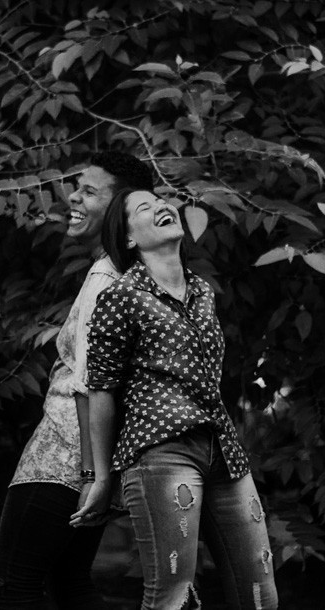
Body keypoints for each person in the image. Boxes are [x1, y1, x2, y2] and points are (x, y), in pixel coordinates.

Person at [70, 189, 279, 610]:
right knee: (174, 599)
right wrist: (101, 477)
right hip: (161, 453)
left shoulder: (202, 292)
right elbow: (100, 389)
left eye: (162, 201)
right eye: (144, 208)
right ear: (129, 238)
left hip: (223, 452)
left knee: (261, 597)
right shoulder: (121, 295)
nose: (162, 206)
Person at [0, 152, 154, 609]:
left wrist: (91, 475)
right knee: (69, 581)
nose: (72, 197)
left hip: (63, 459)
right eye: (76, 187)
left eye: (89, 191)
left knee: (12, 583)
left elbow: (90, 383)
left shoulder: (106, 277)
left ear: (120, 207)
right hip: (91, 459)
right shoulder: (135, 273)